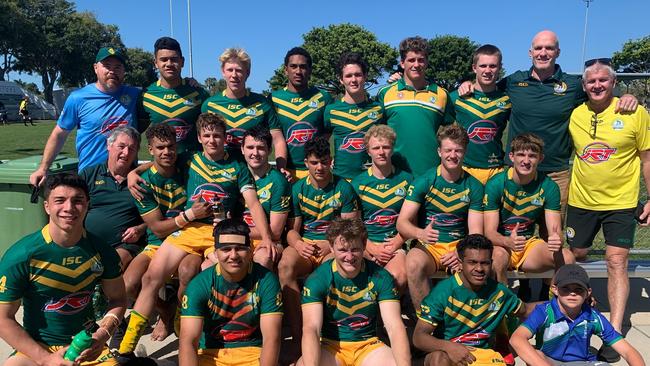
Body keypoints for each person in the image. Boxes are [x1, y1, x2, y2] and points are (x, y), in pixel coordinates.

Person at [117, 112, 276, 357]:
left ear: (225, 138)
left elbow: (253, 204)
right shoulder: (189, 159)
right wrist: (133, 172)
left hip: (218, 233)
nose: (212, 140)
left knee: (220, 276)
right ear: (199, 139)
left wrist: (266, 237)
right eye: (207, 135)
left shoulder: (237, 166)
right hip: (189, 230)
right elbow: (161, 159)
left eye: (217, 136)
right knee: (151, 279)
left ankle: (215, 337)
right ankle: (126, 349)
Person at [457, 30, 637, 214]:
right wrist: (468, 84)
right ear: (530, 52)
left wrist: (626, 95)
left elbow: (600, 93)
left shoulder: (573, 85)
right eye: (538, 48)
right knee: (511, 230)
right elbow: (487, 87)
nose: (543, 53)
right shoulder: (513, 82)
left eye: (549, 48)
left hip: (555, 173)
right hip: (517, 170)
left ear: (558, 52)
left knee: (553, 235)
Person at [566, 59, 650, 363]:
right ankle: (574, 313)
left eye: (603, 80)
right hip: (582, 201)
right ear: (584, 85)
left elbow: (647, 159)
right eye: (591, 81)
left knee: (617, 261)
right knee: (574, 254)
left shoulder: (634, 112)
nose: (597, 86)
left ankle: (613, 332)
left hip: (621, 202)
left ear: (613, 83)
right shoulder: (576, 113)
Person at [0, 173, 127, 366]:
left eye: (77, 201)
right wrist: (46, 359)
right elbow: (3, 319)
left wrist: (102, 334)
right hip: (38, 347)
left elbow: (118, 298)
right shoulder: (21, 255)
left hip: (88, 347)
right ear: (47, 206)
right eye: (60, 200)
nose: (69, 208)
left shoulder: (104, 252)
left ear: (87, 205)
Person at [277, 136, 359, 361]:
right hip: (306, 245)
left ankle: (329, 335)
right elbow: (291, 230)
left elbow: (350, 231)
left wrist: (330, 244)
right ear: (306, 163)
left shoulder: (344, 188)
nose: (320, 167)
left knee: (332, 271)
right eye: (314, 162)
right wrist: (298, 244)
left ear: (331, 161)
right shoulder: (298, 188)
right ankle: (298, 335)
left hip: (334, 246)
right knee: (285, 265)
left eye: (324, 161)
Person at [298, 218, 410, 366]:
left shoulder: (380, 276)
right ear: (331, 248)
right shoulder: (318, 279)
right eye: (343, 250)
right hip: (330, 346)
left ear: (364, 245)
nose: (349, 257)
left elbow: (394, 327)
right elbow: (311, 329)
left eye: (355, 249)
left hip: (368, 345)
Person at [397, 124, 484, 310]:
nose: (453, 155)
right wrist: (420, 234)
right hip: (429, 247)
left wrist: (461, 252)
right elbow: (402, 223)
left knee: (475, 265)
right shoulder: (424, 181)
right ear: (439, 151)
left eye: (458, 150)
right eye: (448, 150)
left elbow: (476, 231)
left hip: (458, 245)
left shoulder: (474, 185)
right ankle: (426, 321)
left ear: (465, 152)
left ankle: (464, 323)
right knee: (413, 263)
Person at [412, 234, 532, 366]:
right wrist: (449, 347)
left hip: (481, 355)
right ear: (460, 263)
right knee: (438, 358)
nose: (479, 269)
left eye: (485, 263)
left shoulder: (499, 292)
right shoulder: (443, 292)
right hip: (449, 354)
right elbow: (418, 337)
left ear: (491, 263)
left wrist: (557, 302)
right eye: (472, 262)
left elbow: (526, 310)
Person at [30, 46, 142, 184]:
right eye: (107, 66)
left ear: (124, 70)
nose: (112, 71)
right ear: (95, 68)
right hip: (91, 177)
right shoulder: (78, 98)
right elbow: (59, 134)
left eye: (118, 67)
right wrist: (43, 168)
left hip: (127, 177)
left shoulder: (135, 96)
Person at [179, 219, 283, 366]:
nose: (233, 255)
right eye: (226, 249)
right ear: (215, 253)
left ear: (251, 250)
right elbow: (188, 341)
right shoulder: (199, 284)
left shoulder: (267, 280)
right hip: (210, 354)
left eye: (240, 248)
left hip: (253, 354)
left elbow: (272, 338)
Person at [483, 134, 574, 291]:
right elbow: (489, 232)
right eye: (521, 155)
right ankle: (504, 305)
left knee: (567, 257)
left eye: (532, 156)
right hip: (500, 245)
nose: (526, 161)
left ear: (541, 158)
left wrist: (555, 239)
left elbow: (555, 230)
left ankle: (551, 301)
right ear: (511, 156)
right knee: (498, 258)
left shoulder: (548, 186)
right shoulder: (496, 183)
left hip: (527, 245)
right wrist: (507, 241)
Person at [123, 124, 188, 343]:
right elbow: (158, 227)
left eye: (170, 147)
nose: (166, 152)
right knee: (128, 284)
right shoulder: (141, 183)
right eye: (160, 148)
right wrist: (189, 215)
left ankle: (181, 314)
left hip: (186, 241)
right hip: (156, 243)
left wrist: (134, 170)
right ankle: (165, 311)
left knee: (189, 271)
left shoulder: (187, 166)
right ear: (150, 149)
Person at [510, 263, 645, 366]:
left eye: (578, 289)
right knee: (536, 354)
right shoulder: (544, 311)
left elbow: (628, 351)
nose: (572, 293)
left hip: (581, 362)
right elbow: (517, 339)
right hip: (550, 362)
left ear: (588, 292)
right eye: (566, 289)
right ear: (555, 290)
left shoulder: (593, 317)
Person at [204, 125, 291, 270]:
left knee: (262, 259)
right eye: (250, 147)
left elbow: (275, 232)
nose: (255, 153)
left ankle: (260, 292)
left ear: (270, 150)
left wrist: (235, 229)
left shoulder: (278, 182)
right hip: (234, 237)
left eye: (261, 148)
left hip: (264, 240)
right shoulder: (234, 173)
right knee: (206, 267)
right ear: (242, 150)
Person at [376, 36, 453, 176]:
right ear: (402, 63)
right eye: (411, 60)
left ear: (427, 62)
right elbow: (375, 134)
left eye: (421, 60)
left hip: (430, 173)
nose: (416, 65)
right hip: (394, 175)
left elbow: (452, 136)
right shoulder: (385, 93)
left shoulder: (442, 95)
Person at [201, 48, 288, 169]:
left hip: (254, 173)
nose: (234, 75)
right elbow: (202, 142)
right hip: (222, 173)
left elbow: (278, 139)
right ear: (223, 71)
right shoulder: (209, 105)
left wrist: (281, 168)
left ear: (248, 72)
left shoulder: (262, 103)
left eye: (239, 70)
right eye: (230, 70)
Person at [351, 125, 412, 293]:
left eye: (385, 147)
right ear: (368, 151)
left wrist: (397, 242)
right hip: (364, 244)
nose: (381, 152)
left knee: (397, 277)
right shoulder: (358, 183)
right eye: (376, 148)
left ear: (392, 148)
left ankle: (387, 317)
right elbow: (353, 224)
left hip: (395, 244)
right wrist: (370, 247)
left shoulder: (407, 180)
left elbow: (412, 221)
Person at [80, 126, 147, 269]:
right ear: (109, 146)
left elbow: (156, 218)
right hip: (88, 242)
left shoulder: (142, 179)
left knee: (111, 265)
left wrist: (140, 229)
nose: (126, 153)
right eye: (121, 146)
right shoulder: (90, 175)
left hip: (125, 244)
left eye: (132, 149)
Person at [449, 44, 511, 185]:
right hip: (464, 169)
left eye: (493, 66)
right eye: (483, 66)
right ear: (474, 67)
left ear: (500, 67)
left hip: (496, 170)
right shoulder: (457, 97)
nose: (487, 71)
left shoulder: (507, 100)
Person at [138, 36, 210, 155]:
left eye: (174, 59)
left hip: (193, 168)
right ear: (155, 63)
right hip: (162, 167)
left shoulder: (198, 93)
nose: (169, 64)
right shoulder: (146, 95)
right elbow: (137, 131)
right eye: (164, 59)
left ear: (182, 62)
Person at [269, 47, 333, 181]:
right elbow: (274, 138)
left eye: (303, 67)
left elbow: (330, 132)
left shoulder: (323, 97)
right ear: (286, 70)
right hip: (287, 172)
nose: (298, 71)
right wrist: (281, 169)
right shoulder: (274, 99)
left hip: (316, 172)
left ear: (310, 70)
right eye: (293, 66)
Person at [324, 52, 384, 181]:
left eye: (358, 75)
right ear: (341, 79)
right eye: (348, 76)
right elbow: (322, 143)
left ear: (365, 76)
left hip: (371, 179)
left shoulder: (378, 108)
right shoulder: (331, 110)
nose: (353, 80)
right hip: (341, 180)